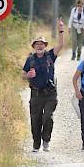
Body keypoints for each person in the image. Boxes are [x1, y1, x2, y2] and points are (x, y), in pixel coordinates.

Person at [22, 18, 64, 152]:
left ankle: (46, 140)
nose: (40, 46)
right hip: (36, 94)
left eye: (42, 44)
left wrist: (61, 30)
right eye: (37, 44)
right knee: (35, 120)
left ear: (45, 46)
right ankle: (36, 144)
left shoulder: (50, 56)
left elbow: (61, 45)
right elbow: (23, 74)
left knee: (47, 117)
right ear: (34, 46)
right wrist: (28, 75)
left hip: (50, 93)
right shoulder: (30, 59)